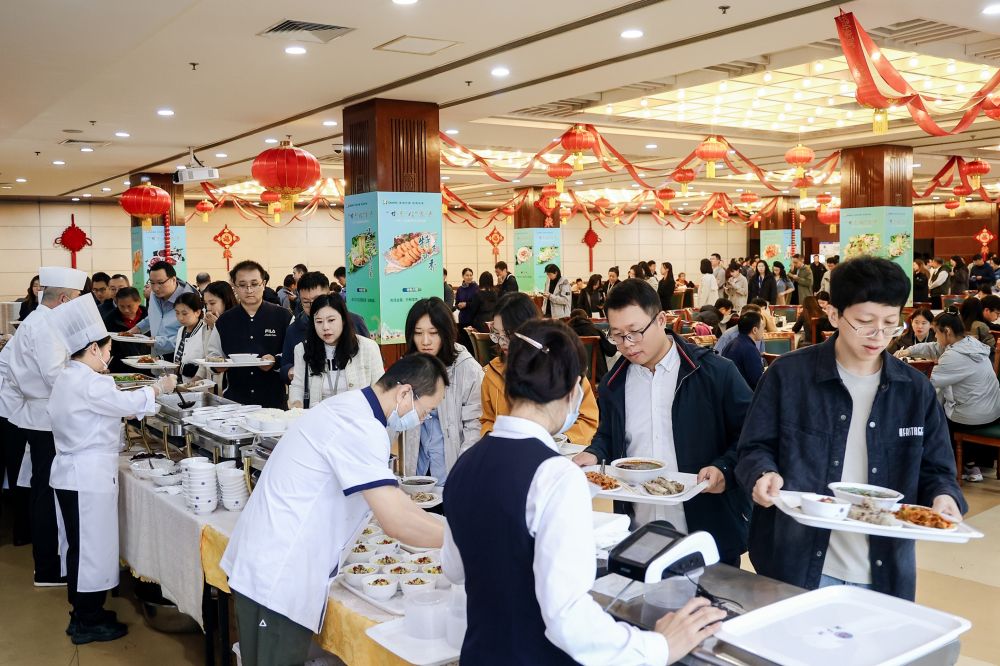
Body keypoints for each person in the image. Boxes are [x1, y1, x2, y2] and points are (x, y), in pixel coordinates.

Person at [445, 319, 726, 665]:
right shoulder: (556, 476)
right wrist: (659, 647)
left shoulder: (465, 464)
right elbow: (568, 619)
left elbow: (455, 569)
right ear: (572, 390)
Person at [737, 256, 966, 600]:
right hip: (796, 564)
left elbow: (937, 469)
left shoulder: (914, 390)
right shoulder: (788, 375)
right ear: (834, 315)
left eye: (890, 324)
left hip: (884, 570)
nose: (878, 335)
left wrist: (944, 496)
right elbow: (753, 448)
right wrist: (762, 473)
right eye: (864, 322)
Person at [222, 354, 449, 666]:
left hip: (266, 561)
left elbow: (396, 503)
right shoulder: (361, 427)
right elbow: (396, 520)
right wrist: (459, 539)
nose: (422, 419)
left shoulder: (350, 406)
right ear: (405, 393)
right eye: (426, 411)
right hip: (278, 576)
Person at [573, 279, 752, 564]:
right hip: (638, 529)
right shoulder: (613, 383)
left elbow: (750, 436)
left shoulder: (715, 373)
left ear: (660, 320)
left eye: (635, 332)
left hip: (708, 528)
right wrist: (594, 453)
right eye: (617, 335)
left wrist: (724, 469)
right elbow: (609, 435)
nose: (627, 344)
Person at [48, 296, 175, 644]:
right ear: (93, 348)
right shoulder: (90, 382)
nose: (109, 356)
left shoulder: (69, 376)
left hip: (73, 474)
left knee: (80, 547)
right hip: (86, 478)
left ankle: (85, 612)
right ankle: (86, 622)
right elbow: (127, 403)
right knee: (91, 550)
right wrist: (159, 387)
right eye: (107, 350)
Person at [6, 266, 87, 586]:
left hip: (39, 414)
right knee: (47, 491)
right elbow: (56, 376)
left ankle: (48, 564)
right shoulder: (47, 324)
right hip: (45, 418)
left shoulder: (36, 320)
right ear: (64, 299)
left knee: (42, 488)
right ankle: (48, 568)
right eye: (77, 298)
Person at [895, 309, 1000, 483]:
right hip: (993, 409)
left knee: (932, 412)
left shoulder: (955, 356)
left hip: (974, 415)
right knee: (941, 399)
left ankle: (946, 466)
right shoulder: (969, 343)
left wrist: (900, 369)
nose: (935, 337)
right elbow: (934, 347)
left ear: (947, 331)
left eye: (936, 332)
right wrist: (909, 351)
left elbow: (927, 382)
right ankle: (971, 461)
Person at [481, 293, 599, 443]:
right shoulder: (492, 372)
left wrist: (562, 440)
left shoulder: (560, 365)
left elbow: (588, 419)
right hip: (506, 451)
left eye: (509, 334)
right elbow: (487, 420)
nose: (502, 342)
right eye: (497, 334)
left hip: (560, 452)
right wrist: (492, 438)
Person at [396, 298, 483, 480]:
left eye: (433, 333)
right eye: (418, 333)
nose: (425, 341)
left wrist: (462, 473)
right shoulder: (407, 367)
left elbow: (475, 426)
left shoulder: (468, 369)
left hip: (452, 472)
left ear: (446, 332)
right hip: (417, 473)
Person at [215, 260, 292, 408]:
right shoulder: (224, 320)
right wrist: (217, 365)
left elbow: (294, 355)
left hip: (273, 401)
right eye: (242, 285)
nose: (249, 290)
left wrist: (275, 360)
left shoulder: (283, 316)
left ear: (263, 284)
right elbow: (213, 354)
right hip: (235, 401)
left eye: (254, 284)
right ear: (234, 286)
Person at [288, 294, 383, 409]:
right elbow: (297, 386)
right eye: (319, 321)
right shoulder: (303, 349)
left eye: (331, 320)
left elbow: (380, 389)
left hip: (356, 416)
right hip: (319, 417)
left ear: (343, 320)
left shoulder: (367, 348)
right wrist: (297, 407)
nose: (325, 327)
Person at [281, 271, 370, 386]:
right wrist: (290, 371)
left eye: (317, 300)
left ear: (329, 294)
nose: (313, 306)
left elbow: (371, 360)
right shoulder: (294, 329)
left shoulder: (354, 321)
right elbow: (285, 367)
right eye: (306, 302)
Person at [129, 261, 197, 360]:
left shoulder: (190, 300)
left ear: (173, 279)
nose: (156, 288)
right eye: (152, 283)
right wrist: (138, 328)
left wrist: (157, 342)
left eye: (160, 283)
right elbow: (154, 316)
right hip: (157, 357)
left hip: (178, 359)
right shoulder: (155, 294)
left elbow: (190, 336)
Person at [173, 292, 223, 384]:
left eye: (184, 313)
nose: (180, 318)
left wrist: (181, 368)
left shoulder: (206, 330)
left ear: (198, 312)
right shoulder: (181, 330)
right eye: (177, 313)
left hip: (199, 385)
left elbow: (206, 364)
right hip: (180, 382)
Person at [101, 287, 148, 374]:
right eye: (122, 306)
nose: (126, 310)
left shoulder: (148, 316)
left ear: (139, 301)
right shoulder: (109, 319)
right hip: (120, 367)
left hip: (147, 364)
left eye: (129, 306)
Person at [567, 308, 617, 384]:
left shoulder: (565, 333)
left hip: (571, 379)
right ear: (587, 317)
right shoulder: (595, 330)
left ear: (570, 318)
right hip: (597, 377)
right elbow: (611, 351)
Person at [722, 311, 766, 389]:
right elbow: (758, 382)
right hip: (744, 393)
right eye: (762, 326)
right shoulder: (750, 349)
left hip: (729, 390)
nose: (764, 329)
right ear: (755, 330)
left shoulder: (732, 343)